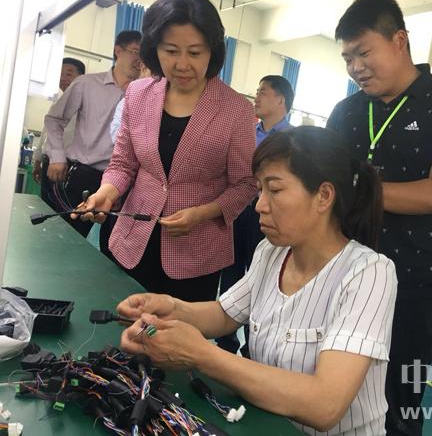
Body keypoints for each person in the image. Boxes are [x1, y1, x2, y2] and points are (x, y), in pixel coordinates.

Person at [117, 126, 397, 435]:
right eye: (260, 190)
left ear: (324, 196)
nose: (260, 204)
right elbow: (225, 314)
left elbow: (325, 404)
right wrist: (169, 308)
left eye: (274, 190)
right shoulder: (272, 252)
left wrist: (201, 354)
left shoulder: (369, 273)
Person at [326, 0, 432, 435]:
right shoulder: (345, 112)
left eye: (364, 52)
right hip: (342, 272)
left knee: (398, 403)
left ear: (399, 40)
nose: (356, 67)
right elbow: (322, 185)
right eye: (347, 58)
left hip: (414, 280)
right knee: (330, 386)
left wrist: (353, 192)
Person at [75, 0, 256, 303]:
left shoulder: (236, 110)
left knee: (177, 332)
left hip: (196, 255)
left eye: (195, 52)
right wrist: (106, 193)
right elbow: (123, 164)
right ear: (154, 48)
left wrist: (202, 213)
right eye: (171, 51)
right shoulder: (138, 93)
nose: (182, 64)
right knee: (119, 322)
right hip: (132, 241)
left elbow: (245, 184)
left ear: (212, 51)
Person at [216, 74, 295, 355]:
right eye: (257, 91)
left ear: (281, 99)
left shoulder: (292, 141)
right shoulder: (246, 131)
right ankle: (225, 341)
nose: (256, 97)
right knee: (231, 271)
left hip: (267, 214)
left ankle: (254, 347)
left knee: (263, 276)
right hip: (237, 209)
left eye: (263, 92)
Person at [44, 31, 142, 237]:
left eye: (145, 54)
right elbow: (54, 119)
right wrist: (57, 157)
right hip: (85, 176)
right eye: (135, 51)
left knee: (113, 244)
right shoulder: (87, 84)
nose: (140, 59)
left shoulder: (146, 94)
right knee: (66, 236)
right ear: (118, 51)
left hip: (124, 184)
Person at [32, 58, 86, 203]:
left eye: (68, 74)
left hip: (65, 165)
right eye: (60, 74)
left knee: (60, 206)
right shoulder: (58, 101)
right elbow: (46, 133)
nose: (63, 78)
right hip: (48, 162)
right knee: (45, 204)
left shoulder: (84, 104)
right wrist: (38, 161)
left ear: (82, 78)